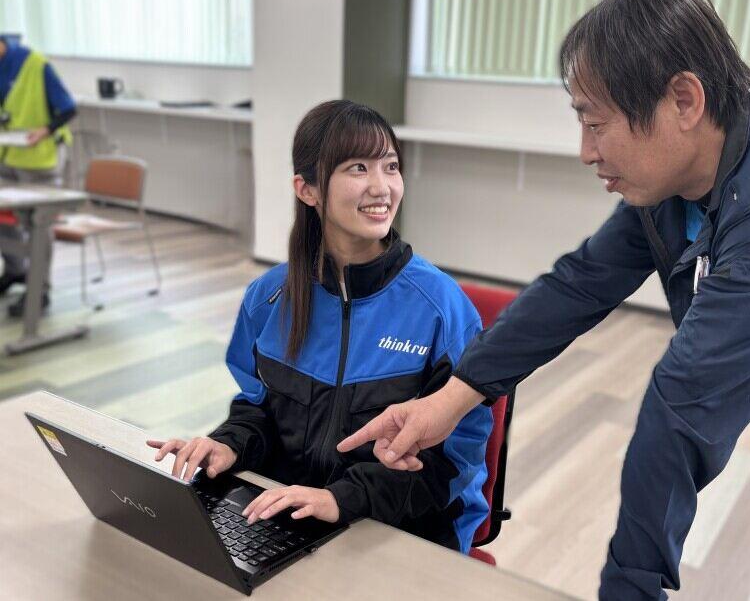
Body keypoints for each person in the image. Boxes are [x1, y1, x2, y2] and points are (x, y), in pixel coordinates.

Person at [338, 0, 750, 600]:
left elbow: (684, 407)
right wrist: (449, 401)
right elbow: (576, 287)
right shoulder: (683, 182)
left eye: (596, 123)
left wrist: (629, 588)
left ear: (683, 99)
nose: (585, 151)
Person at [148, 100, 493, 554]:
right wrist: (228, 446)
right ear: (307, 189)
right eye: (357, 168)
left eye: (390, 166)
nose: (381, 187)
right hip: (291, 517)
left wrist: (341, 498)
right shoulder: (268, 298)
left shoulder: (441, 308)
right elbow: (258, 412)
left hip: (403, 530)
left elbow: (452, 463)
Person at [0, 33, 76, 317]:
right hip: (7, 155)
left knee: (38, 224)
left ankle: (39, 290)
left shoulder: (35, 64)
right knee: (4, 219)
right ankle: (15, 271)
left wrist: (44, 129)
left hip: (39, 159)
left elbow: (68, 109)